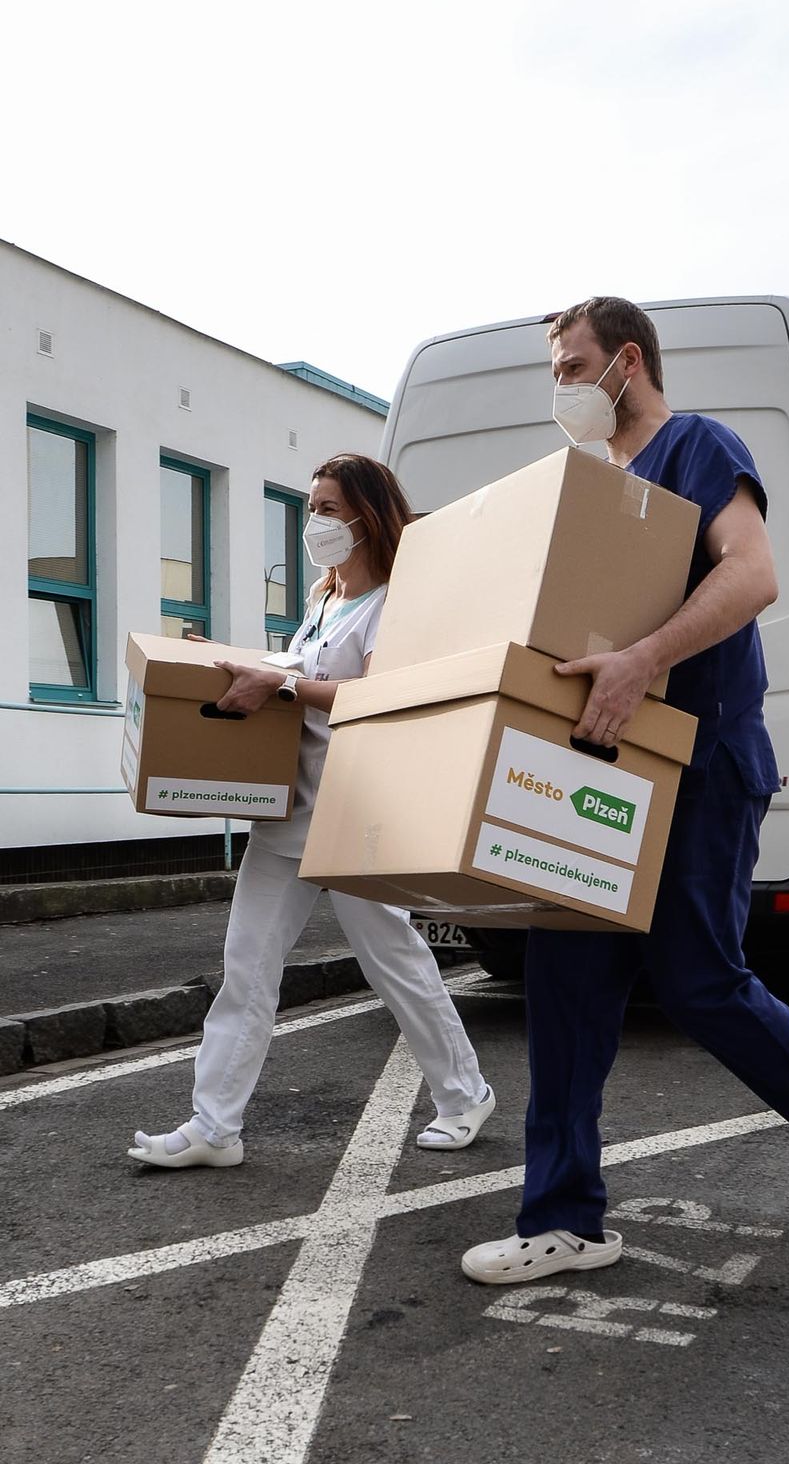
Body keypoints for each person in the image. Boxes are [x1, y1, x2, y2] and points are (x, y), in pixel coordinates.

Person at [461, 297, 789, 1286]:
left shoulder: (696, 446)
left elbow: (750, 575)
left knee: (699, 980)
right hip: (605, 772)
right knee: (565, 986)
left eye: (574, 365)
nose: (562, 386)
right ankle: (564, 1218)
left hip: (699, 768)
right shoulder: (593, 490)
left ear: (629, 360)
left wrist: (639, 660)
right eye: (554, 371)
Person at [130, 453, 494, 1169]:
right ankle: (215, 1127)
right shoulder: (324, 598)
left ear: (367, 514)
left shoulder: (395, 599)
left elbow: (375, 693)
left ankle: (464, 1094)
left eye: (329, 508)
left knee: (394, 964)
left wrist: (284, 683)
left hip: (356, 813)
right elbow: (303, 673)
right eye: (312, 508)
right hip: (287, 813)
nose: (316, 523)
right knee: (247, 966)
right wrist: (240, 665)